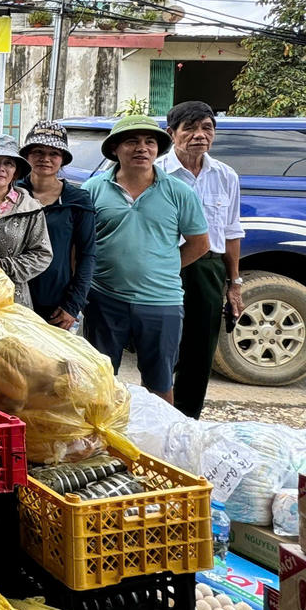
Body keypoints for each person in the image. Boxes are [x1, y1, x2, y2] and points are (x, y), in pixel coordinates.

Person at [82, 114, 209, 403]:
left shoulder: (180, 192)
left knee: (160, 381)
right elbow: (81, 245)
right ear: (115, 148)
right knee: (98, 379)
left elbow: (200, 243)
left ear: (157, 149)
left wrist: (162, 268)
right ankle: (100, 444)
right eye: (132, 142)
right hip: (104, 299)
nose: (142, 148)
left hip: (161, 301)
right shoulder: (93, 190)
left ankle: (161, 443)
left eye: (149, 142)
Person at [160, 101, 244, 418]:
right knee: (161, 348)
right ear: (172, 133)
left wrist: (233, 283)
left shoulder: (226, 176)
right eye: (190, 128)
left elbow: (232, 230)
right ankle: (157, 417)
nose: (199, 135)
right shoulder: (157, 173)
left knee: (200, 351)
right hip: (165, 267)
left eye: (206, 128)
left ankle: (187, 421)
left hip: (207, 269)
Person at [17, 121, 96, 331]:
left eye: (54, 153)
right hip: (13, 300)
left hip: (57, 304)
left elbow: (87, 255)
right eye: (38, 152)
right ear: (26, 155)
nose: (45, 158)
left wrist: (73, 304)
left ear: (63, 159)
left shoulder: (77, 200)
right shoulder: (12, 193)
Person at [0, 133, 53, 309]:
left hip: (12, 299)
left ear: (15, 171)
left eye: (8, 163)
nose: (0, 168)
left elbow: (42, 255)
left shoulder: (30, 208)